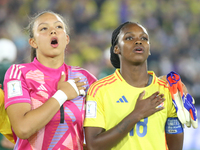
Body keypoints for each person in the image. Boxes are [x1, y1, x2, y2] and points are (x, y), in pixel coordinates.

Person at [3, 11, 97, 150]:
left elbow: (97, 136)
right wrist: (62, 94)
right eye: (44, 28)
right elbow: (23, 129)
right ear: (33, 42)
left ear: (66, 39)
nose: (53, 31)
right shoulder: (18, 73)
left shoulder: (85, 78)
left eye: (58, 27)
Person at [84, 22, 184, 150]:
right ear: (116, 49)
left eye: (144, 38)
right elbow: (93, 146)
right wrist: (137, 114)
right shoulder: (99, 90)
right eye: (129, 38)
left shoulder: (167, 90)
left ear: (149, 49)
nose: (138, 42)